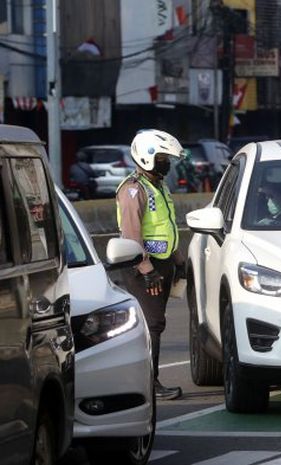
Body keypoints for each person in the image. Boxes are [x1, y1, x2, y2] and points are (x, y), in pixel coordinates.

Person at [115, 129, 186, 400]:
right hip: (144, 268)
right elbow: (132, 236)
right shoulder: (133, 190)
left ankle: (148, 381)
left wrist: (178, 260)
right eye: (163, 158)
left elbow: (165, 228)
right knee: (152, 324)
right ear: (147, 158)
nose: (167, 163)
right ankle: (149, 383)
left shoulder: (157, 186)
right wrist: (147, 271)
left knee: (155, 324)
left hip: (163, 264)